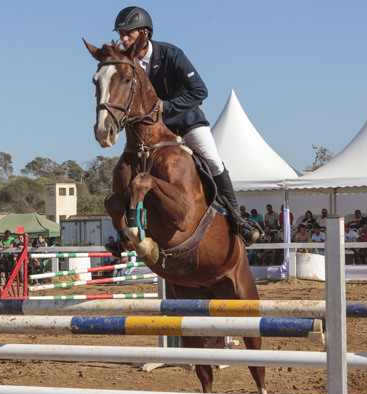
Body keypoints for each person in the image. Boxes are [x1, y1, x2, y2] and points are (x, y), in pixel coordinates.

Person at [109, 6, 259, 248]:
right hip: (152, 130)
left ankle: (238, 220)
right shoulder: (125, 62)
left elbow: (200, 91)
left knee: (213, 161)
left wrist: (166, 107)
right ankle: (123, 234)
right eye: (121, 34)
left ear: (145, 33)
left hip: (185, 122)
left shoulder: (171, 54)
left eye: (129, 33)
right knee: (126, 168)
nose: (123, 39)